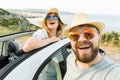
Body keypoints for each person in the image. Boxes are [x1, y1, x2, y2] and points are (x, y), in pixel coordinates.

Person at [63, 13, 120, 80]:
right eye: (74, 35)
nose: (81, 39)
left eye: (88, 34)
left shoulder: (113, 74)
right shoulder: (70, 58)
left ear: (99, 38)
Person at [22, 8, 67, 80]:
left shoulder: (59, 35)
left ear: (59, 22)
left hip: (57, 72)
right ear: (46, 22)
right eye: (48, 17)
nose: (51, 19)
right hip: (44, 74)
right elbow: (26, 47)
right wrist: (51, 40)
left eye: (55, 17)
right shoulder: (42, 33)